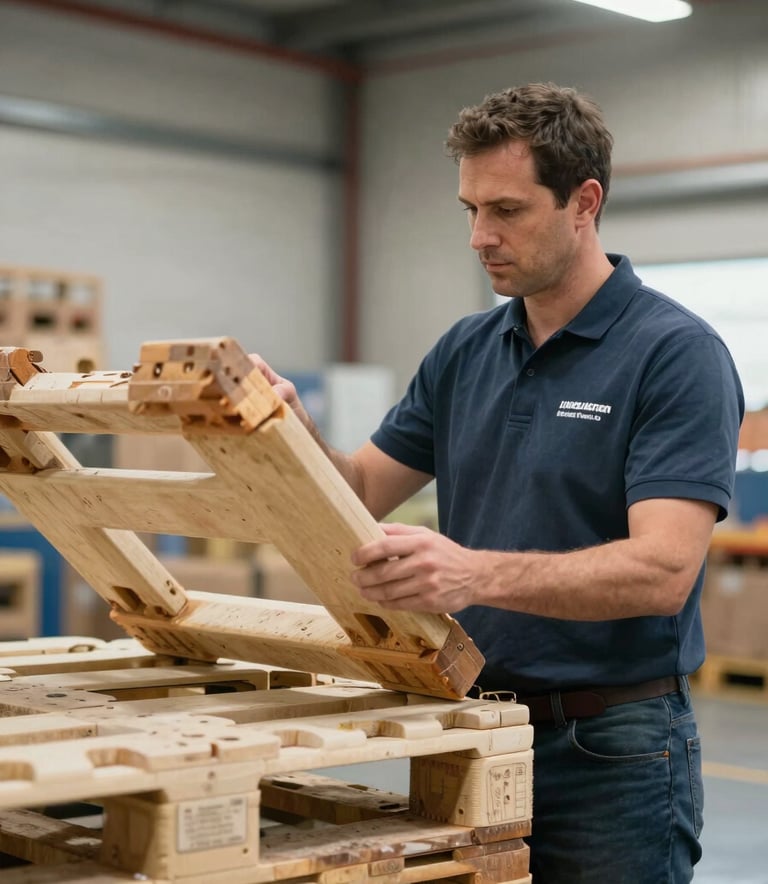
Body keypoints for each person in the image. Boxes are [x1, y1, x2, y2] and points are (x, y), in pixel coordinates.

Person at [251, 82, 744, 883]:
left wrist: (470, 572)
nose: (481, 236)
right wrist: (289, 431)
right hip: (474, 729)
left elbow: (664, 570)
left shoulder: (674, 354)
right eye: (469, 210)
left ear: (584, 202)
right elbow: (361, 490)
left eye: (507, 210)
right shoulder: (465, 351)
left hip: (611, 748)